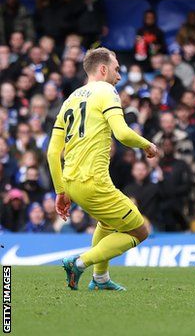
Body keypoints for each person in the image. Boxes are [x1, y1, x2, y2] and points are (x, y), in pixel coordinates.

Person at [47, 47, 158, 291]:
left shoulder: (70, 99)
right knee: (140, 231)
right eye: (117, 70)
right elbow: (122, 133)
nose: (119, 76)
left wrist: (61, 191)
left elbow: (53, 152)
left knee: (108, 223)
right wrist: (147, 145)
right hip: (94, 182)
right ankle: (79, 262)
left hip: (72, 183)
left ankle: (100, 279)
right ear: (104, 69)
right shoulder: (107, 90)